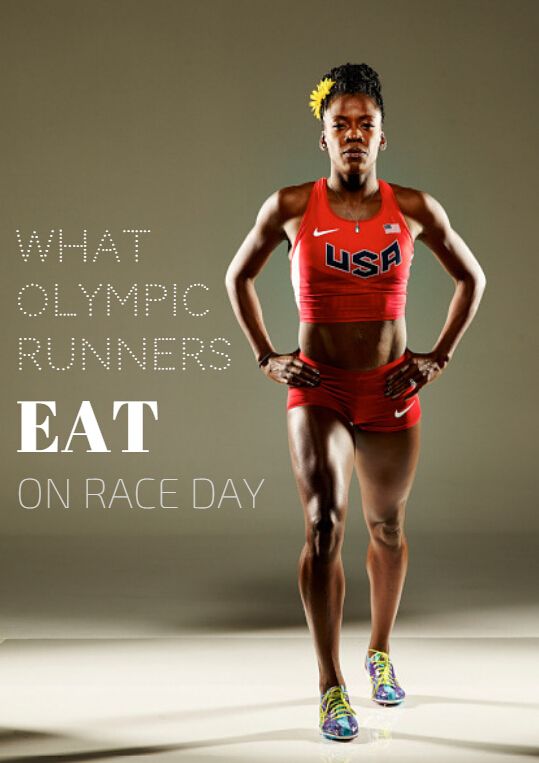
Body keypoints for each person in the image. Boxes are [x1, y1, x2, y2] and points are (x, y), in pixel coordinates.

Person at [225, 62, 486, 742]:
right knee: (322, 525)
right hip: (318, 388)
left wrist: (436, 356)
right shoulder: (287, 207)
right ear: (322, 138)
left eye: (363, 124)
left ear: (381, 136)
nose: (351, 134)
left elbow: (471, 275)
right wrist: (266, 354)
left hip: (389, 387)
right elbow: (238, 275)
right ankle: (329, 685)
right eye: (338, 124)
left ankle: (378, 652)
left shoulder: (415, 208)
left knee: (387, 529)